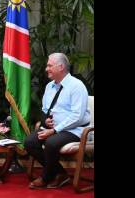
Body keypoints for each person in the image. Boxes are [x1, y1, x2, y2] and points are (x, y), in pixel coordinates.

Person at [25, 53, 91, 189]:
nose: (46, 68)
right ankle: (60, 173)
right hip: (52, 129)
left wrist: (54, 130)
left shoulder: (77, 86)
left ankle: (46, 177)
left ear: (60, 67)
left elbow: (77, 116)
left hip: (75, 130)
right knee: (30, 142)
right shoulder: (50, 86)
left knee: (51, 142)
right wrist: (45, 121)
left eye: (49, 65)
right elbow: (44, 110)